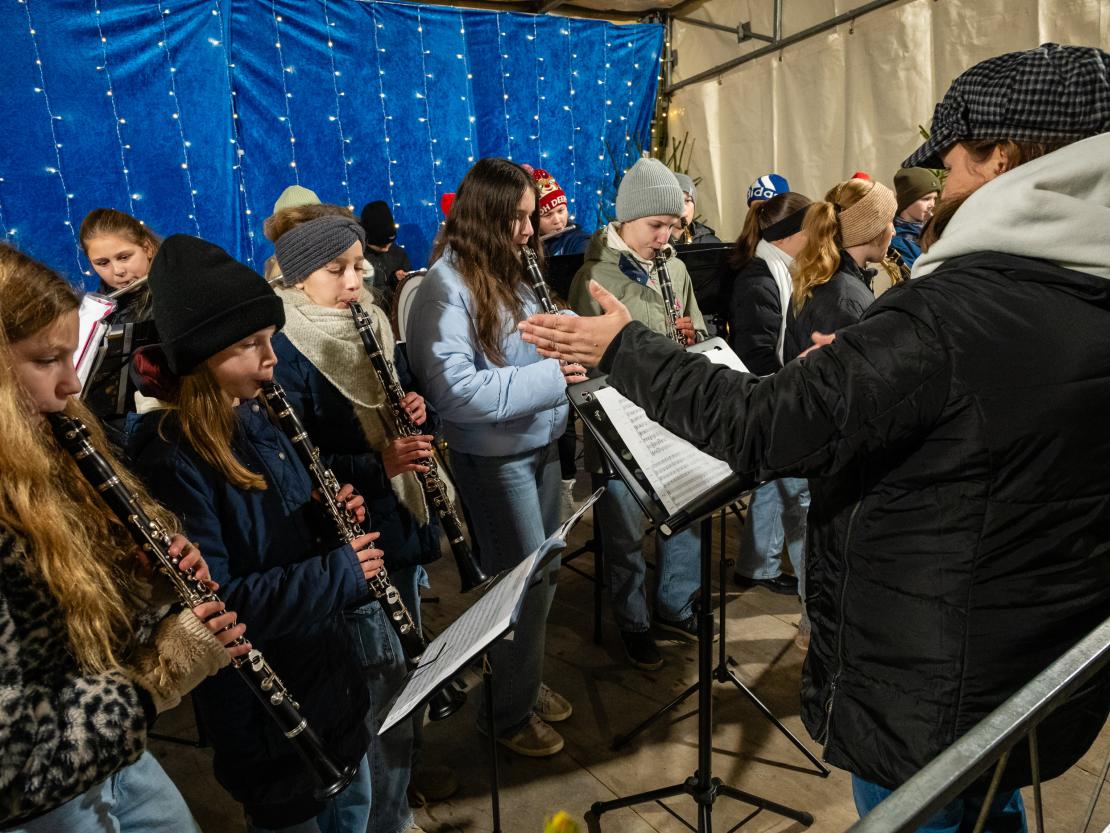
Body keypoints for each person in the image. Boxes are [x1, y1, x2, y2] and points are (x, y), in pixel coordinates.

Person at [519, 43, 1110, 833]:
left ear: (1002, 158)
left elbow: (761, 426)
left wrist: (621, 349)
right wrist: (870, 376)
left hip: (931, 684)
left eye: (953, 167)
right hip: (1030, 668)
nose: (939, 193)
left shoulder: (950, 312)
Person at [128, 234, 381, 832]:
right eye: (249, 345)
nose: (271, 359)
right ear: (198, 358)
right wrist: (340, 571)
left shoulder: (258, 415)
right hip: (266, 715)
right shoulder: (173, 458)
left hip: (328, 681)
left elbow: (275, 533)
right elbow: (220, 605)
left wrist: (324, 519)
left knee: (355, 813)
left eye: (269, 340)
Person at [0, 243, 242, 831]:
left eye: (70, 356)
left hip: (110, 755)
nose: (70, 385)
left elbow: (73, 623)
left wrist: (145, 585)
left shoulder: (41, 453)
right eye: (44, 360)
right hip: (44, 798)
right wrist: (154, 675)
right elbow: (12, 765)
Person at [270, 212, 449, 830]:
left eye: (357, 267)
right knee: (377, 688)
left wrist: (412, 405)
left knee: (405, 676)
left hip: (399, 518)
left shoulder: (368, 319)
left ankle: (394, 802)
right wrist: (379, 462)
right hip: (352, 536)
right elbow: (300, 459)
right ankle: (384, 819)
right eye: (337, 271)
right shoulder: (286, 342)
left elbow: (393, 394)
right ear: (298, 279)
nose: (355, 282)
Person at [406, 158, 585, 758]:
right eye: (521, 219)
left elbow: (527, 351)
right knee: (520, 587)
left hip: (540, 446)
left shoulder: (510, 273)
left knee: (547, 573)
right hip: (496, 459)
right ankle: (506, 714)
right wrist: (555, 379)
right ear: (487, 218)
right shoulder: (444, 286)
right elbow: (455, 392)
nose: (531, 232)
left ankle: (522, 683)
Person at [569, 157, 708, 672]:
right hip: (620, 421)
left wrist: (690, 336)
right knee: (625, 531)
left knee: (686, 515)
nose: (666, 236)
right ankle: (633, 621)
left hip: (674, 417)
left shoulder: (675, 268)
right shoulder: (595, 276)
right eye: (656, 225)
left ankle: (676, 602)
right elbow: (581, 361)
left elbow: (691, 325)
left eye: (673, 226)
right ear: (626, 218)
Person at [724, 192, 812, 641]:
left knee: (783, 489)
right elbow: (758, 353)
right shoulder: (760, 278)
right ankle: (787, 574)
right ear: (793, 235)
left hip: (781, 393)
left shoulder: (781, 269)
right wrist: (790, 396)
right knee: (793, 493)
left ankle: (758, 565)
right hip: (772, 395)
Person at [783, 178, 898, 362]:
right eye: (890, 221)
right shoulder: (844, 300)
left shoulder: (831, 280)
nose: (894, 232)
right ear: (871, 229)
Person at [78, 208, 162, 450]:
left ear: (147, 248)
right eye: (102, 263)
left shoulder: (171, 294)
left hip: (158, 425)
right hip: (116, 429)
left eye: (124, 257)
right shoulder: (95, 311)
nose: (117, 271)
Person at [526, 165, 591, 257]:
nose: (557, 220)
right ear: (533, 219)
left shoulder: (579, 240)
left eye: (560, 211)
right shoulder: (524, 242)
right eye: (548, 215)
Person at [360, 201, 413, 313]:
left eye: (389, 243)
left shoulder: (398, 253)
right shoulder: (359, 258)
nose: (386, 249)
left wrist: (397, 279)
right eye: (380, 245)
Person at [890, 168, 941, 268]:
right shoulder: (898, 241)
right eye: (926, 199)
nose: (932, 204)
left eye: (934, 198)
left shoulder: (935, 229)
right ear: (907, 201)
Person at [672, 173, 721, 244]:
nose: (682, 208)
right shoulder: (653, 242)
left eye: (687, 200)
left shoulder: (711, 243)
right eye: (677, 200)